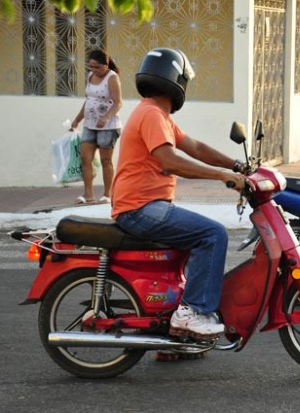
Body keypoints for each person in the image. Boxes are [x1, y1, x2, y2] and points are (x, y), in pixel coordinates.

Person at [111, 48, 246, 340]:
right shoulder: (151, 114)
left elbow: (195, 147)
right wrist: (222, 176)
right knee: (213, 235)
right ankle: (192, 312)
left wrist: (237, 165)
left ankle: (175, 329)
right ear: (176, 80)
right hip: (140, 208)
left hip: (143, 206)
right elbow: (170, 161)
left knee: (193, 242)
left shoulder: (156, 115)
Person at [70, 49, 123, 204]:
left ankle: (107, 194)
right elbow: (89, 101)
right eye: (91, 67)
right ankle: (88, 195)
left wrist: (106, 117)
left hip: (108, 126)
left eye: (97, 67)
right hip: (90, 124)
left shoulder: (112, 78)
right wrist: (77, 120)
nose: (94, 70)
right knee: (85, 157)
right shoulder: (90, 76)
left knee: (106, 160)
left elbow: (118, 102)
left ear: (106, 65)